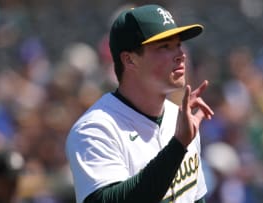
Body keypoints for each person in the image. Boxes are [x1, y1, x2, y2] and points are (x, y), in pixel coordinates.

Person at [65, 4, 214, 203]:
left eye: (178, 44)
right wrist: (178, 145)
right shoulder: (95, 129)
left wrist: (181, 141)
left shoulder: (180, 119)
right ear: (129, 60)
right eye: (165, 46)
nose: (181, 54)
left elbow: (195, 197)